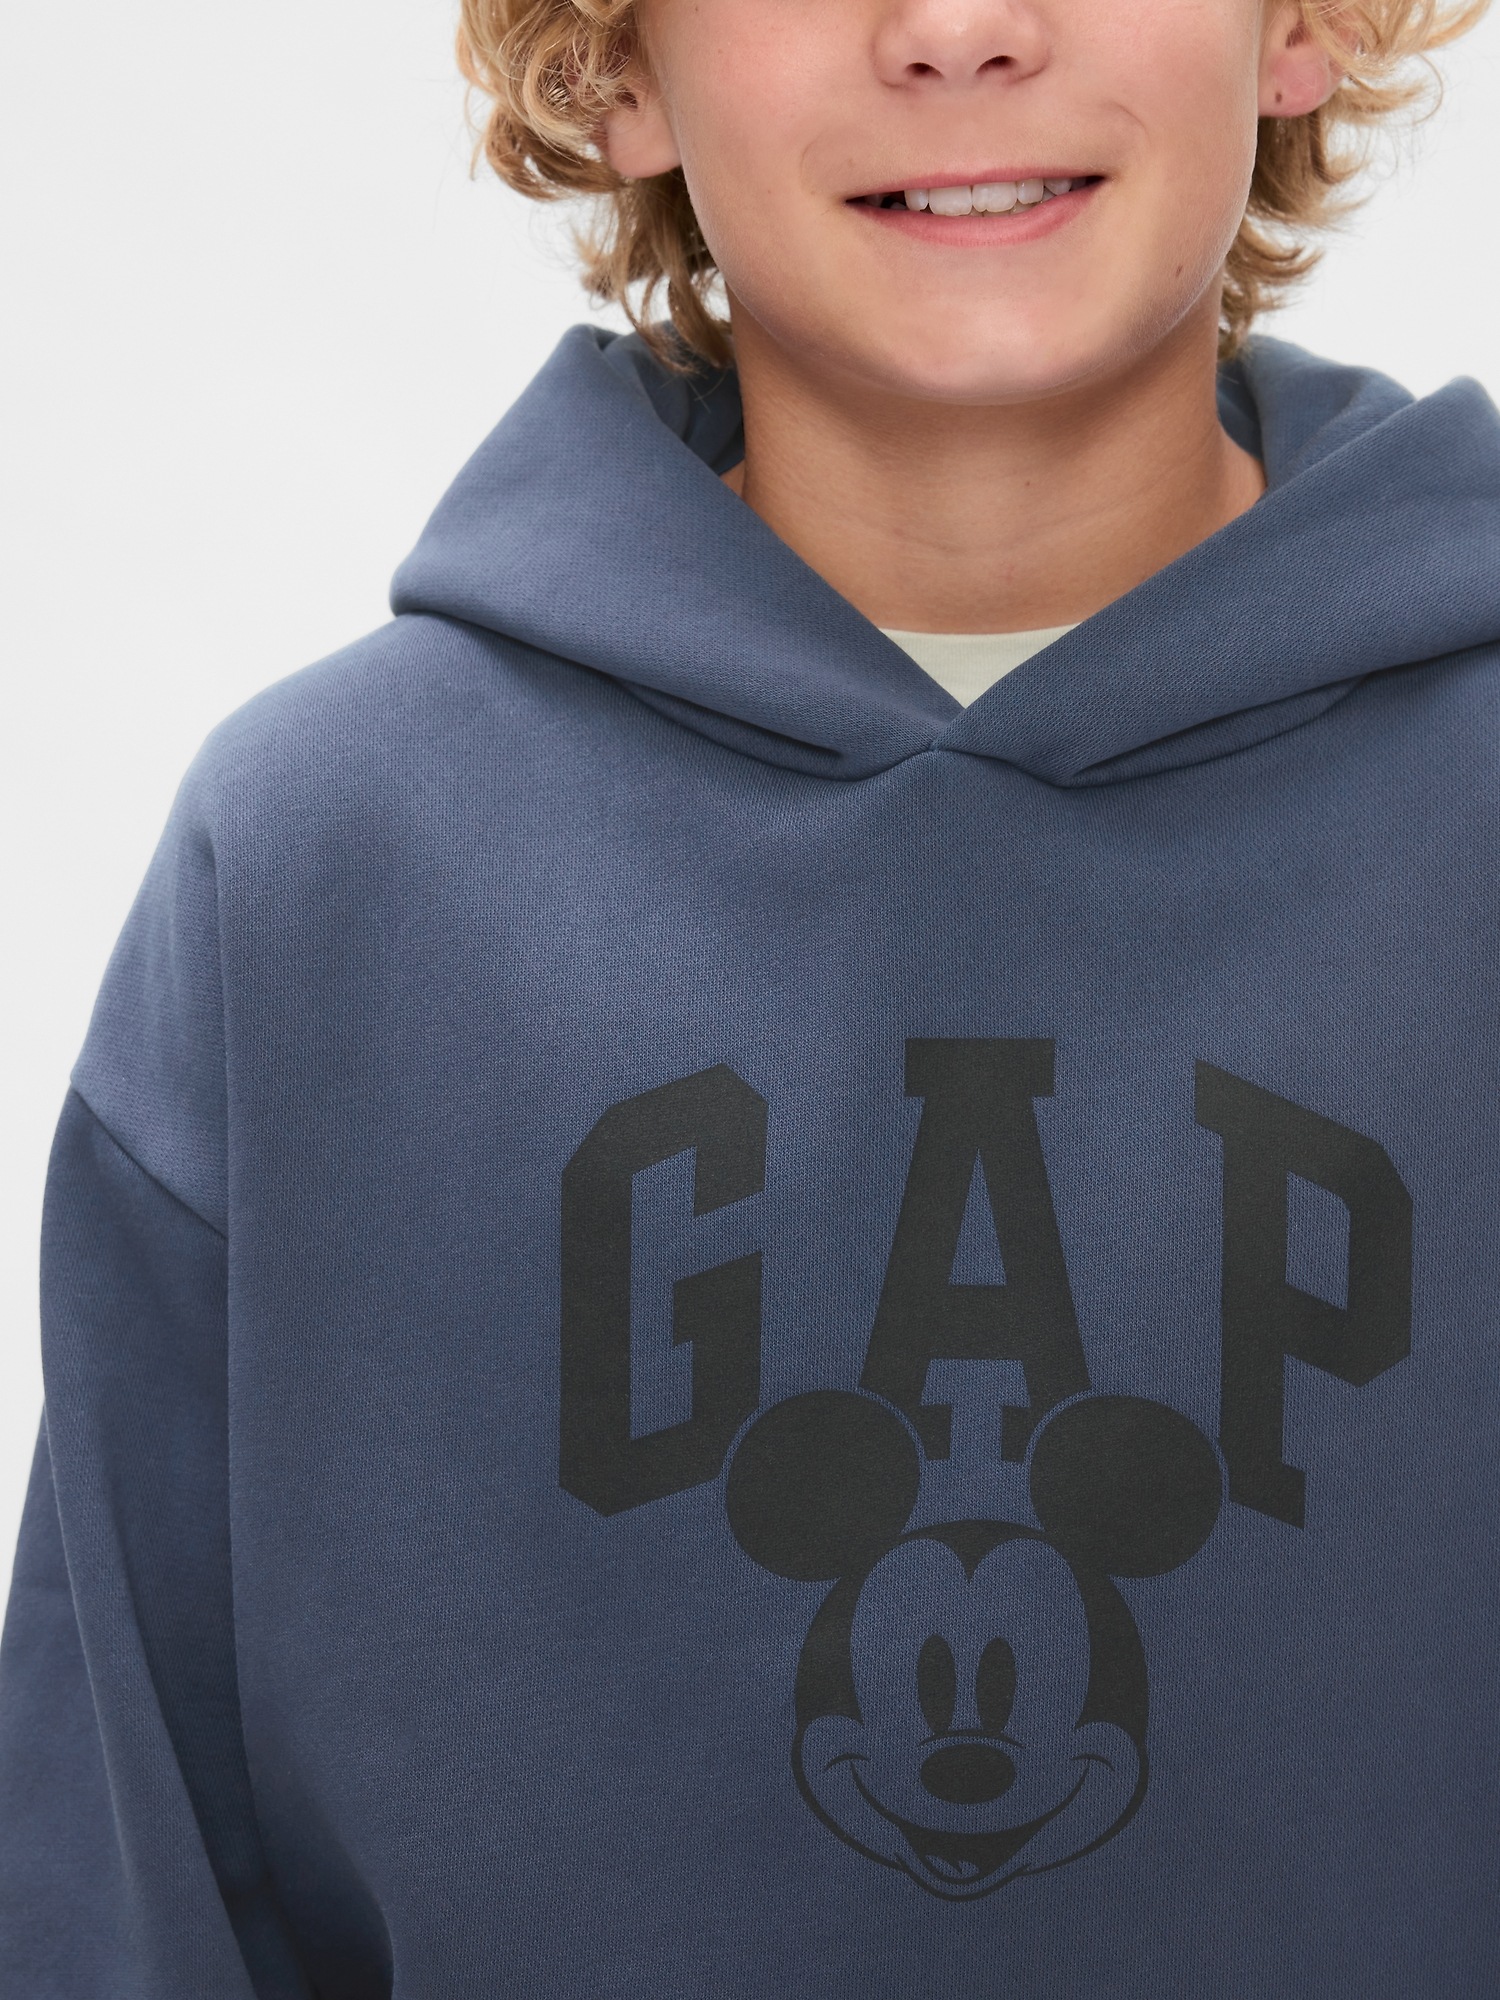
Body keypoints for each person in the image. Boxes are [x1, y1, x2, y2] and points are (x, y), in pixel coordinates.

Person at [1, 0, 1496, 1987]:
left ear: (1296, 25)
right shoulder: (314, 870)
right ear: (618, 68)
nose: (959, 28)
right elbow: (121, 1893)